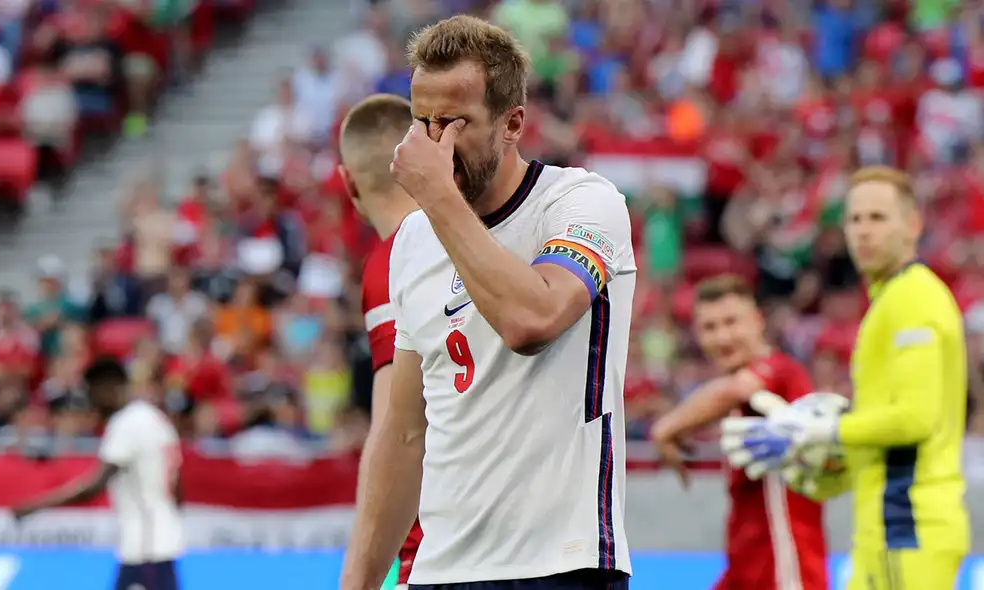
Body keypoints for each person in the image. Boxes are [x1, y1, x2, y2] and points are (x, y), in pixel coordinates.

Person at [341, 15, 636, 590]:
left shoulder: (581, 203)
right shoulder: (412, 243)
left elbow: (532, 320)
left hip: (558, 565)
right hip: (440, 570)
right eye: (422, 122)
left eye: (455, 123)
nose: (434, 144)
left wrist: (437, 198)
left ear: (513, 123)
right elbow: (404, 433)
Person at [724, 166, 970, 589]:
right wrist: (826, 463)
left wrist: (816, 432)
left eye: (878, 218)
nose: (864, 232)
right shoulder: (890, 299)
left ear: (912, 224)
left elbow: (915, 420)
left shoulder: (914, 298)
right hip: (888, 527)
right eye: (855, 219)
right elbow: (884, 429)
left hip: (906, 525)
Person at [651, 275, 828, 590]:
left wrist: (666, 428)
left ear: (758, 321)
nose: (723, 336)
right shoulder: (737, 398)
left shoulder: (780, 372)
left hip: (786, 569)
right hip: (744, 570)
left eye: (732, 322)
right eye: (710, 327)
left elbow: (736, 389)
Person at [339, 93, 425, 589]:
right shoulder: (476, 239)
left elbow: (398, 427)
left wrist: (359, 580)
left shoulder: (398, 256)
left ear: (347, 180)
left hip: (440, 551)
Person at [13, 357, 184, 590]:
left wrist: (36, 505)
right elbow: (178, 484)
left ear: (108, 387)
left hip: (145, 545)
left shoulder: (126, 423)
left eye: (91, 392)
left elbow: (95, 484)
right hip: (160, 537)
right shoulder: (155, 418)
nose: (91, 401)